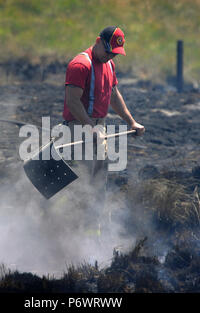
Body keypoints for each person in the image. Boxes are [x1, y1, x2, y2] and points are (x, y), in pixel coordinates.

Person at [61, 26, 145, 236]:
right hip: (79, 129)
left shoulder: (109, 65)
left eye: (114, 54)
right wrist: (90, 127)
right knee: (81, 183)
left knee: (99, 181)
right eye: (108, 52)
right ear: (98, 41)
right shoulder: (80, 65)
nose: (110, 57)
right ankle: (71, 232)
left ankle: (93, 229)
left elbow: (114, 95)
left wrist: (131, 122)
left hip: (99, 129)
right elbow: (72, 102)